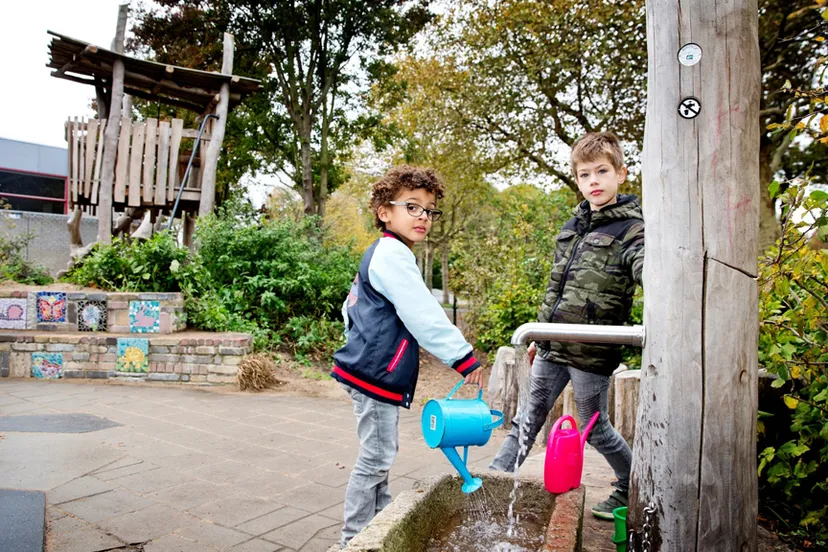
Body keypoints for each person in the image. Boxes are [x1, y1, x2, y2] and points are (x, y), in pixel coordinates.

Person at [489, 132, 644, 520]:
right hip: (552, 344)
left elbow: (648, 269)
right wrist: (539, 334)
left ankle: (631, 484)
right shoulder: (574, 225)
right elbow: (557, 286)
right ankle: (495, 479)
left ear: (621, 174)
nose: (594, 181)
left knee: (594, 426)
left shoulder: (632, 229)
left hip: (591, 351)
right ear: (577, 179)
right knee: (528, 415)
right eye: (585, 174)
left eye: (602, 172)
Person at [332, 165, 483, 547]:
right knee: (376, 458)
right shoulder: (393, 255)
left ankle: (379, 525)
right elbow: (423, 314)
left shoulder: (385, 253)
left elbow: (349, 309)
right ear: (385, 211)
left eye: (429, 210)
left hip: (370, 368)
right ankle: (354, 540)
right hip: (374, 373)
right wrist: (463, 358)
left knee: (381, 454)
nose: (423, 217)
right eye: (412, 207)